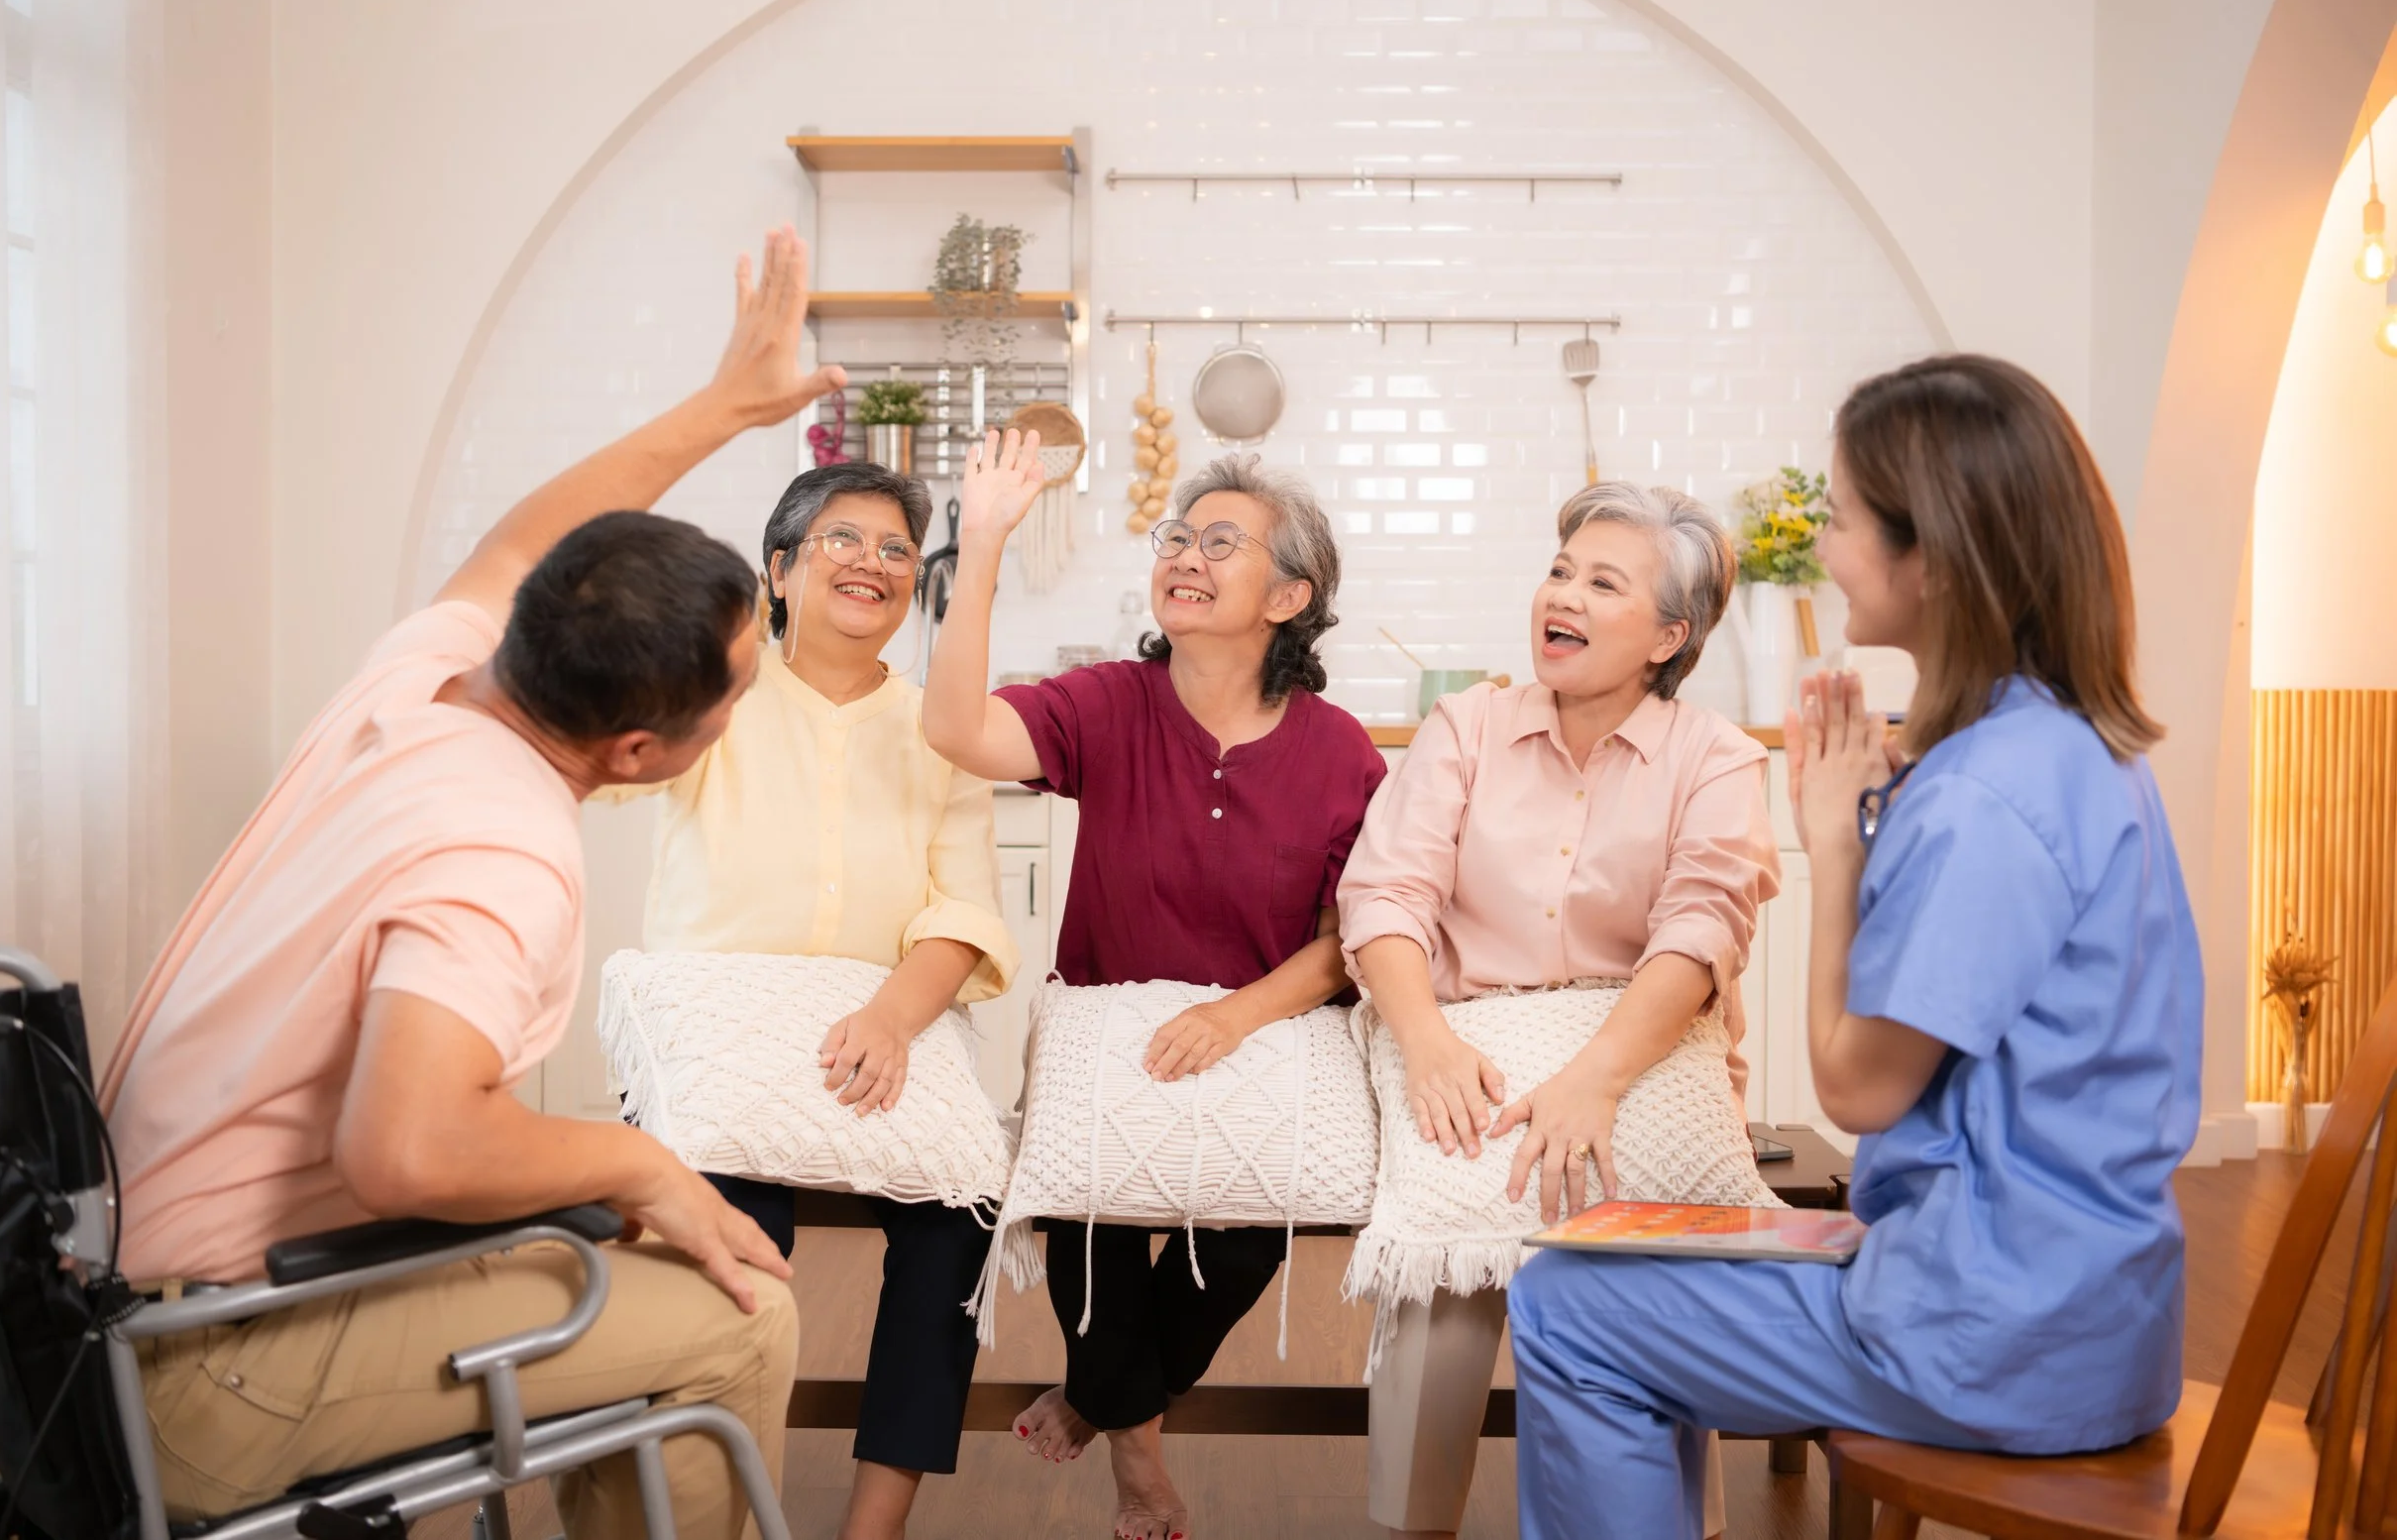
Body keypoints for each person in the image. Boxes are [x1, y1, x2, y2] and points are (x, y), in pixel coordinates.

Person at [99, 231, 847, 1540]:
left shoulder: (436, 671)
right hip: (205, 1368)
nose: (747, 701)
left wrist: (733, 401)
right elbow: (407, 1145)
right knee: (742, 1313)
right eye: (736, 692)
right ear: (636, 752)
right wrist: (641, 1160)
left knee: (639, 1264)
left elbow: (525, 535)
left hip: (117, 1300)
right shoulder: (503, 846)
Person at [1505, 355, 2200, 1539]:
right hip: (2100, 1309)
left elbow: (1854, 1087)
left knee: (1566, 1306)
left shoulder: (1981, 795)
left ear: (1929, 553)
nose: (1819, 546)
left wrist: (1829, 840)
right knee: (1629, 1268)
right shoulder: (2077, 749)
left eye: (1836, 516)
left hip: (1994, 1338)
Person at [922, 429, 1386, 1540]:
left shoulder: (1340, 752)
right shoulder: (1108, 702)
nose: (1185, 550)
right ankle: (1138, 1455)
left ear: (1288, 594)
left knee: (1237, 1244)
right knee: (1092, 1228)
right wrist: (979, 542)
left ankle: (1095, 1395)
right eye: (1177, 534)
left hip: (1263, 1042)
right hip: (1105, 1049)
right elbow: (953, 728)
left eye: (1220, 540)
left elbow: (1350, 941)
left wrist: (1234, 1014)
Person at [1339, 482, 1780, 1540]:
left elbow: (1699, 928)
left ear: (1670, 634)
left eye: (1601, 581)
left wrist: (1594, 1079)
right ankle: (1412, 1522)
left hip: (1636, 1047)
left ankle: (1677, 1518)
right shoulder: (1466, 724)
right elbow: (1384, 893)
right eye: (1560, 570)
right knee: (1453, 1224)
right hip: (1469, 1039)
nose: (1562, 594)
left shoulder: (1716, 757)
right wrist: (1428, 1042)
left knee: (1643, 1254)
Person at [603, 458, 1019, 1540]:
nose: (871, 564)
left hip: (885, 1031)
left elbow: (962, 911)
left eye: (893, 549)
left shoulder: (946, 729)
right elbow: (614, 753)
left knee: (953, 1233)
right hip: (721, 1043)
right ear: (778, 570)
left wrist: (890, 1017)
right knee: (733, 1242)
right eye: (841, 540)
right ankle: (719, 1511)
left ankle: (870, 1526)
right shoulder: (713, 696)